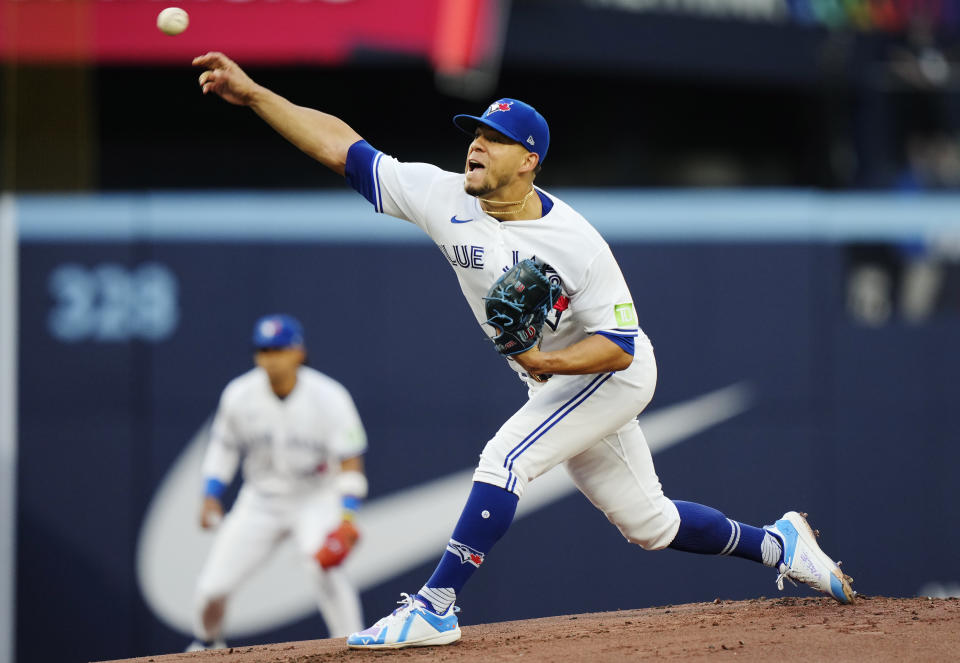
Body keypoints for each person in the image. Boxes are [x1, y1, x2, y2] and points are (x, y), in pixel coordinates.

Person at [191, 52, 856, 650]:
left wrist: (549, 364)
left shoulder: (577, 243)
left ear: (529, 158)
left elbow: (620, 348)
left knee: (505, 457)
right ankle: (779, 542)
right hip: (558, 381)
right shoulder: (441, 196)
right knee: (649, 524)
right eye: (475, 134)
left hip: (608, 374)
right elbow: (343, 148)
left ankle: (436, 605)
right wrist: (254, 95)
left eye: (494, 139)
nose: (476, 146)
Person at [187, 313, 368, 651]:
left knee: (325, 567)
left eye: (279, 349)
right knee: (212, 589)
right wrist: (210, 494)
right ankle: (206, 646)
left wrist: (347, 518)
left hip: (315, 496)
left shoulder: (329, 395)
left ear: (298, 351)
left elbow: (350, 460)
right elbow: (223, 449)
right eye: (265, 350)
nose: (271, 358)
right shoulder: (239, 394)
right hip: (261, 499)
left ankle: (355, 646)